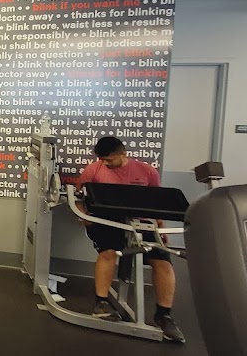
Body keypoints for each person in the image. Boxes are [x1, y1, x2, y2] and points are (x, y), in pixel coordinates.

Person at [75, 136, 184, 343]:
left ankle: (164, 315)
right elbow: (79, 196)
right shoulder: (94, 169)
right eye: (102, 159)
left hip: (141, 223)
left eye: (109, 160)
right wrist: (83, 215)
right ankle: (101, 303)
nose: (105, 163)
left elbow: (157, 203)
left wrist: (161, 228)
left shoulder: (147, 171)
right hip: (108, 221)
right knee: (108, 253)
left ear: (123, 154)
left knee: (162, 262)